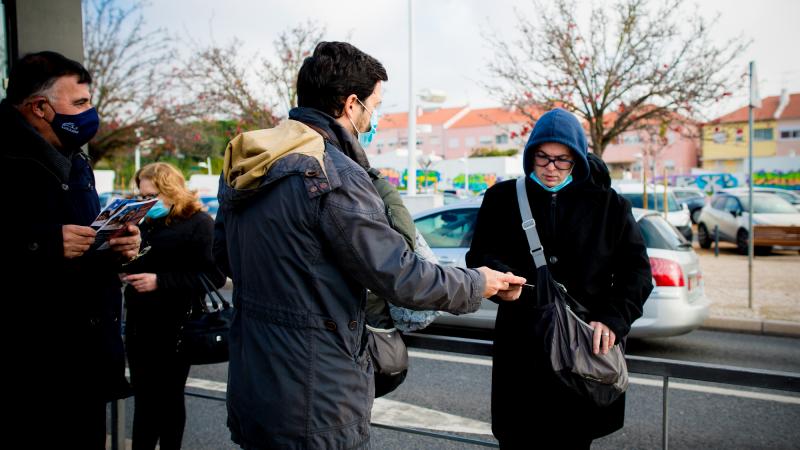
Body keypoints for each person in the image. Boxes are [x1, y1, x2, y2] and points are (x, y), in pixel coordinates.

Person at [213, 41, 526, 449]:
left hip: (255, 385)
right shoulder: (332, 173)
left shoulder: (249, 161)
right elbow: (397, 273)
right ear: (351, 104)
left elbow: (223, 257)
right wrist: (476, 283)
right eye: (374, 106)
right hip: (316, 394)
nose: (373, 116)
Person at [466, 108, 653, 449]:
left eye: (563, 160)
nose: (551, 168)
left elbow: (637, 273)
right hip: (522, 348)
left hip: (581, 348)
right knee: (518, 438)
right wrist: (498, 281)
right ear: (529, 155)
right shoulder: (501, 199)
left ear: (578, 159)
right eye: (543, 158)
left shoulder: (610, 206)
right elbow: (479, 257)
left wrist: (613, 319)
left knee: (573, 439)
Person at [0, 51, 141, 448]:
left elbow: (84, 243)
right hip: (30, 375)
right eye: (79, 103)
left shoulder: (76, 162)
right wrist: (42, 244)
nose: (90, 113)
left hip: (85, 368)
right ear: (41, 108)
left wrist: (116, 246)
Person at [122, 162, 225, 450]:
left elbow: (213, 275)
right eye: (141, 196)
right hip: (140, 323)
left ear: (171, 190)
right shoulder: (144, 222)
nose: (145, 202)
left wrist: (160, 281)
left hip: (176, 325)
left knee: (169, 399)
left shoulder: (199, 223)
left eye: (150, 196)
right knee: (143, 400)